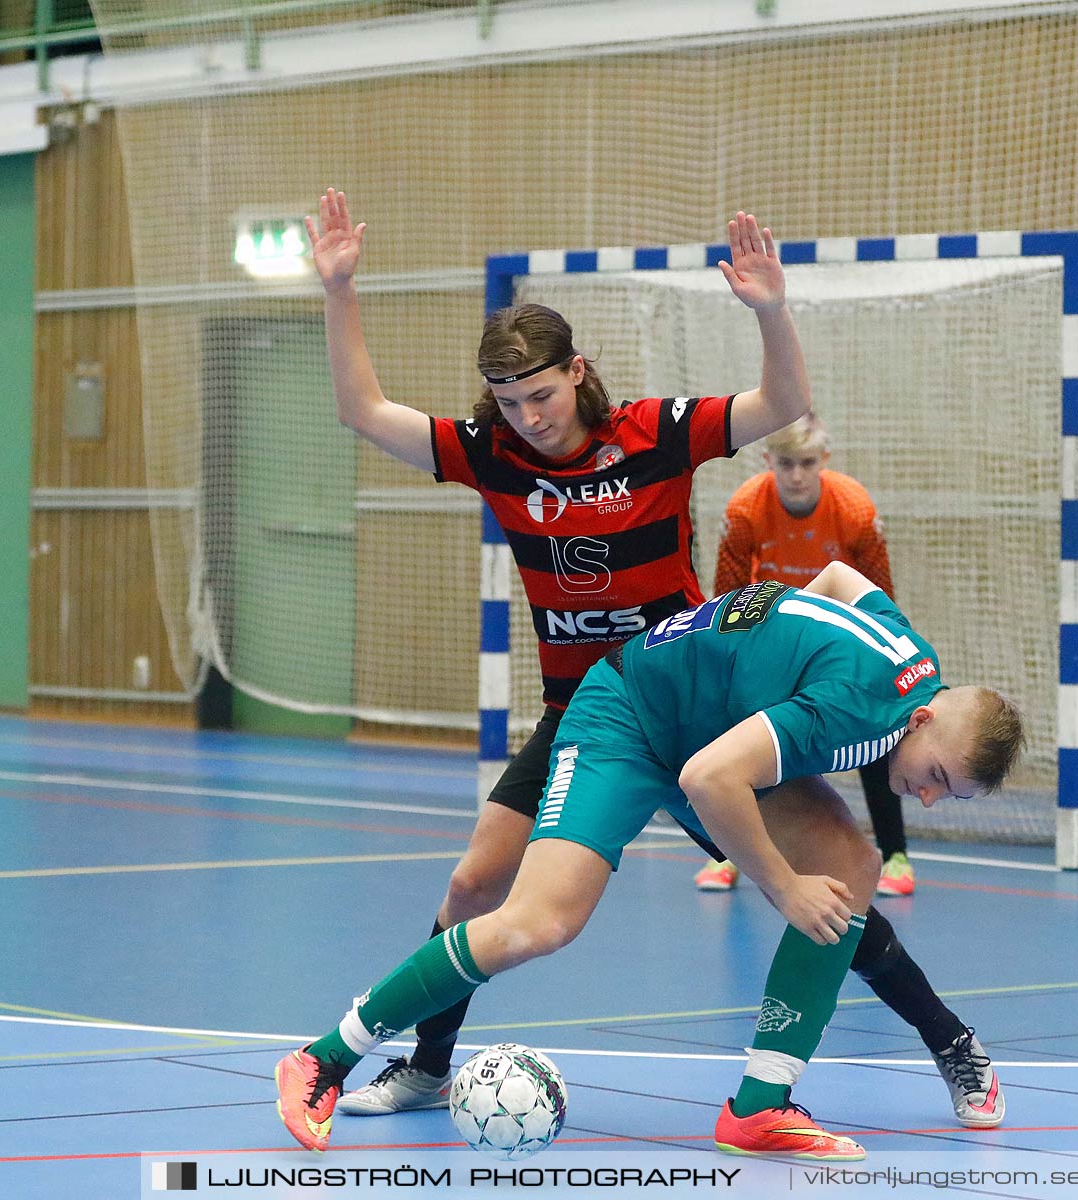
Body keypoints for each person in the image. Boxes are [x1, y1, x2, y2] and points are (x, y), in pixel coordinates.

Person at [300, 189, 1002, 1137]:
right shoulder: (494, 454)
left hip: (695, 699)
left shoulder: (655, 434)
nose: (531, 417)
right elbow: (362, 409)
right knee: (477, 884)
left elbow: (783, 405)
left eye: (541, 395)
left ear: (576, 372)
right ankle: (425, 1066)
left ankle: (949, 1042)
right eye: (511, 403)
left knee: (827, 880)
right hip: (586, 711)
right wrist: (341, 291)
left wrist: (768, 308)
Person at [274, 562, 1025, 1159]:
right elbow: (709, 779)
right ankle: (323, 1060)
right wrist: (784, 886)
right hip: (629, 719)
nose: (926, 799)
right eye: (936, 779)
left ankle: (760, 1106)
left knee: (853, 866)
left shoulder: (910, 659)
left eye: (943, 795)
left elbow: (833, 579)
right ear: (922, 717)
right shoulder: (862, 711)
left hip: (708, 730)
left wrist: (759, 646)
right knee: (536, 923)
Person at [694, 414, 916, 897]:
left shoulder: (854, 510)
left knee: (877, 728)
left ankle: (896, 854)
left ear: (825, 462)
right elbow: (726, 598)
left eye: (807, 464)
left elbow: (882, 598)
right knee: (742, 743)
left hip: (840, 647)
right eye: (787, 463)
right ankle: (729, 854)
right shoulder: (746, 509)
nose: (796, 475)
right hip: (771, 642)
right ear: (767, 460)